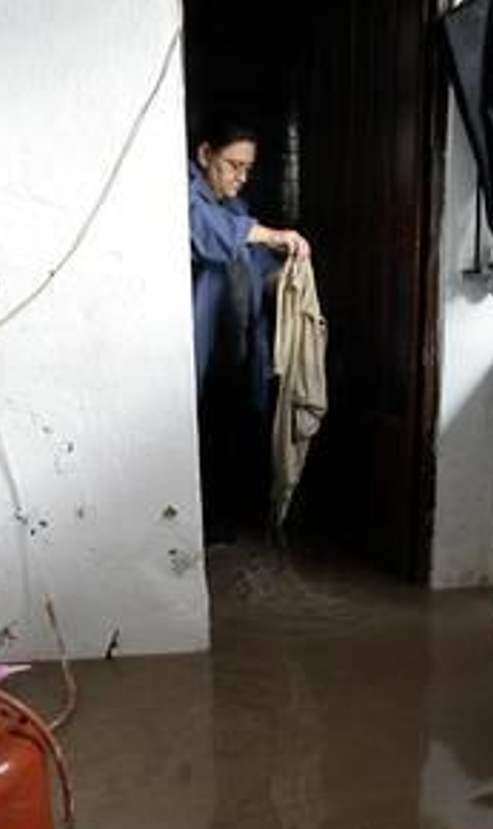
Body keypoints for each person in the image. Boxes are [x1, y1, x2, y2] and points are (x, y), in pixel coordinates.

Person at [188, 120, 310, 542]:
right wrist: (273, 234)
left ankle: (223, 522)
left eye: (247, 168)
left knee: (232, 431)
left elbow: (259, 270)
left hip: (237, 348)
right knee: (198, 433)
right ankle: (197, 528)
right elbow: (211, 237)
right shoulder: (188, 197)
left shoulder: (236, 208)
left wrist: (290, 280)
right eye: (232, 165)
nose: (240, 176)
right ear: (205, 155)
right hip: (202, 350)